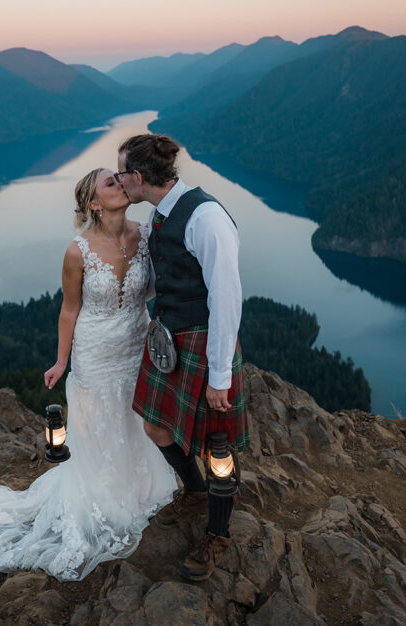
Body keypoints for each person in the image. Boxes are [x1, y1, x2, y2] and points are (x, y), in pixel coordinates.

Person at [0, 168, 176, 581]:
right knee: (100, 422)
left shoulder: (146, 233)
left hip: (136, 343)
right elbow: (70, 309)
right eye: (110, 183)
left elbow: (162, 287)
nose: (120, 184)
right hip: (94, 351)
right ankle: (103, 498)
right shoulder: (77, 251)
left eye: (118, 178)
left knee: (134, 417)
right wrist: (60, 362)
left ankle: (137, 486)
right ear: (94, 203)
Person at [115, 134, 248, 581]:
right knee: (155, 425)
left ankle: (218, 533)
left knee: (217, 446)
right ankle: (193, 491)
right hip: (170, 338)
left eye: (120, 175)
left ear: (137, 178)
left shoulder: (205, 216)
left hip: (205, 345)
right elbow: (162, 279)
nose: (118, 182)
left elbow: (227, 298)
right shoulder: (160, 213)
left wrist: (220, 376)